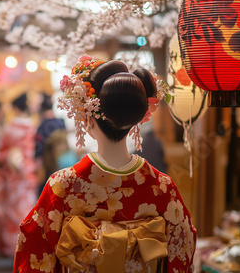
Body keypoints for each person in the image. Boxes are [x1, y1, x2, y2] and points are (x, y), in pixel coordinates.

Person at [13, 56, 197, 272]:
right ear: (136, 120)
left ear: (88, 119)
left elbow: (35, 251)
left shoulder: (63, 186)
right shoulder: (163, 187)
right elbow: (181, 249)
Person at [0, 93, 38, 258]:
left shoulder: (10, 127)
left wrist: (6, 158)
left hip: (10, 174)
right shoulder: (31, 126)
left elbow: (0, 151)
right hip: (26, 173)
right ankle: (25, 243)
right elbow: (32, 152)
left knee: (10, 208)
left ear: (15, 108)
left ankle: (9, 246)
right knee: (26, 208)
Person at [34, 94, 67, 195]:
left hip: (50, 163)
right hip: (64, 158)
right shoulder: (61, 122)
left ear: (42, 110)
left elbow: (38, 149)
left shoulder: (41, 127)